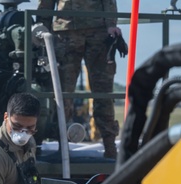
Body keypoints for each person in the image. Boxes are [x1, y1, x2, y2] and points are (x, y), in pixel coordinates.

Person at [37, 0, 121, 158]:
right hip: (66, 32)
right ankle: (62, 145)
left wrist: (111, 24)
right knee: (62, 92)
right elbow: (46, 3)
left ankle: (110, 146)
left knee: (103, 92)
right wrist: (41, 28)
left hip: (98, 32)